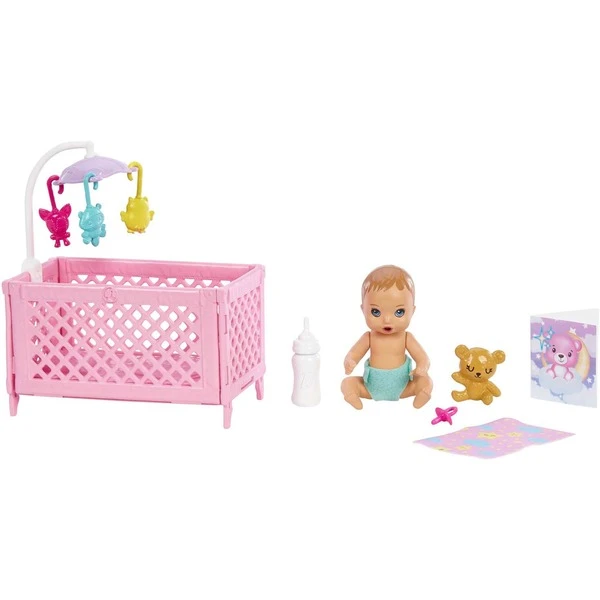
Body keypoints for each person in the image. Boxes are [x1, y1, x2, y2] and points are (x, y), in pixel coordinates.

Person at [341, 265, 433, 410]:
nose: (387, 320)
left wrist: (422, 366)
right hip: (370, 387)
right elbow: (354, 353)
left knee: (426, 381)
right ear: (363, 310)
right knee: (347, 383)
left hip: (404, 386)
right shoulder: (369, 337)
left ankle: (422, 393)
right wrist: (350, 361)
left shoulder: (406, 337)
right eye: (376, 312)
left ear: (412, 311)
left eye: (399, 312)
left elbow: (423, 357)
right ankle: (353, 395)